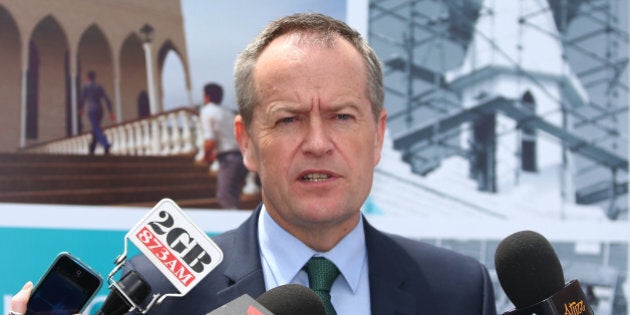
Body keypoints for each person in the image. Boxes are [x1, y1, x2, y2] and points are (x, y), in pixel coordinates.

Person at [10, 13, 496, 315]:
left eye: (342, 117)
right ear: (245, 142)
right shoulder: (160, 294)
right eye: (288, 120)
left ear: (379, 135)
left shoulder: (457, 290)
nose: (318, 143)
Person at [199, 82, 249, 209]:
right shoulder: (228, 113)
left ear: (206, 96)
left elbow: (210, 140)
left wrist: (205, 156)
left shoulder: (207, 111)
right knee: (234, 196)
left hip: (229, 159)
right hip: (242, 157)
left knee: (225, 198)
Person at [79, 70, 115, 155]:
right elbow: (107, 99)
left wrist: (80, 109)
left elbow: (81, 99)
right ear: (95, 78)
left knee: (96, 128)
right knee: (96, 128)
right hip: (100, 110)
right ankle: (92, 148)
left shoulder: (86, 87)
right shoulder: (99, 87)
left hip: (91, 110)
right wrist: (111, 112)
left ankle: (105, 143)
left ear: (88, 78)